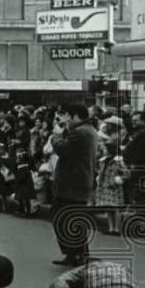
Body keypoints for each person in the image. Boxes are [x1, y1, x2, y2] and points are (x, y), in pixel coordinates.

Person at [49, 103, 99, 266]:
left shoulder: (80, 132)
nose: (66, 120)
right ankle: (76, 254)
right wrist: (64, 130)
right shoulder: (87, 130)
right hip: (78, 182)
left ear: (75, 115)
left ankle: (76, 254)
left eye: (68, 116)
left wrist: (55, 136)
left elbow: (63, 148)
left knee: (63, 217)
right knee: (71, 218)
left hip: (72, 182)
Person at [122, 110, 145, 212]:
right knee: (134, 189)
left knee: (137, 189)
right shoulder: (139, 132)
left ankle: (138, 212)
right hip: (136, 166)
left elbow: (140, 151)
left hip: (138, 167)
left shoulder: (143, 133)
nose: (133, 122)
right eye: (133, 120)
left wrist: (133, 164)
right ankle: (136, 211)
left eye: (136, 120)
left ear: (143, 121)